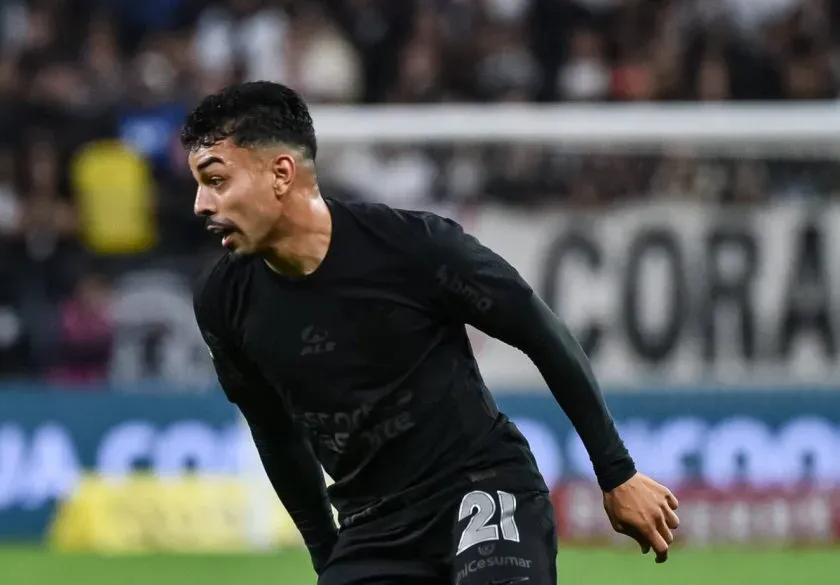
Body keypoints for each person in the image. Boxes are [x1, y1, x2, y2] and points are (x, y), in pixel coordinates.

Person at [186, 81, 680, 585]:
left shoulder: (414, 248)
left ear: (281, 174)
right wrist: (328, 556)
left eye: (216, 180)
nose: (201, 204)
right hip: (372, 528)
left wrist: (616, 473)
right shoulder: (223, 303)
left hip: (480, 488)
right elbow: (274, 434)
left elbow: (540, 331)